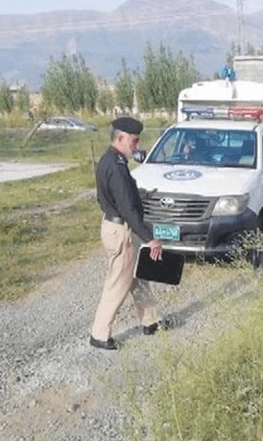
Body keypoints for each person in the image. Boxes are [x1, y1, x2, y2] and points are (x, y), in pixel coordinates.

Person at [90, 117, 169, 350]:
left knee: (138, 276)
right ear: (120, 138)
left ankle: (151, 321)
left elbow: (111, 196)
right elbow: (127, 209)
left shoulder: (110, 161)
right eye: (134, 141)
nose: (137, 145)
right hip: (121, 229)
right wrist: (150, 238)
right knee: (118, 282)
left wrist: (138, 194)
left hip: (115, 225)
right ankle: (99, 334)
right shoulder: (115, 166)